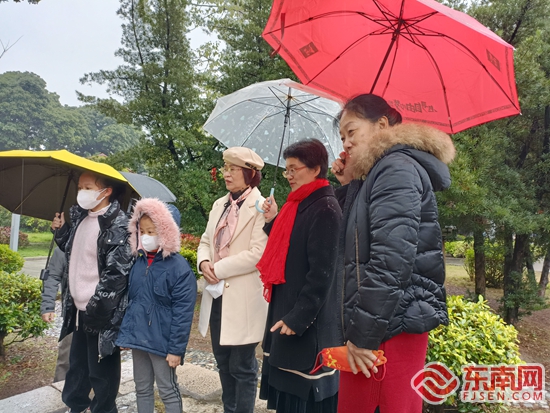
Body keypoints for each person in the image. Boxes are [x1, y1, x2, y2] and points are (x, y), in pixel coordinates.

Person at [331, 94, 455, 413]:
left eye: (351, 131)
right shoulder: (380, 172)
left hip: (386, 328)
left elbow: (392, 261)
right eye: (342, 137)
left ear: (382, 125)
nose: (346, 143)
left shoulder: (395, 169)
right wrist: (349, 183)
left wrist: (363, 336)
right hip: (385, 319)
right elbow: (354, 243)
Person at [257, 138, 342, 413]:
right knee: (286, 397)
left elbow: (323, 273)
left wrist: (298, 317)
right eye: (287, 170)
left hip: (306, 326)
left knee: (302, 400)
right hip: (287, 312)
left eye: (294, 169)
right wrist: (273, 220)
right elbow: (290, 247)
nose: (289, 175)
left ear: (315, 169)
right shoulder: (297, 204)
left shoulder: (325, 208)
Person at [51, 171, 133, 413]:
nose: (81, 192)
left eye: (87, 187)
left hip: (100, 311)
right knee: (77, 366)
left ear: (106, 191)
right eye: (80, 187)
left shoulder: (119, 224)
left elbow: (116, 274)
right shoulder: (80, 218)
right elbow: (75, 251)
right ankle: (76, 406)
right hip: (78, 308)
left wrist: (96, 307)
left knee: (102, 371)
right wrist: (61, 232)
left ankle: (103, 410)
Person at [197, 147, 269, 413]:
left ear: (250, 174)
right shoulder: (220, 204)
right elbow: (206, 240)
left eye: (233, 169)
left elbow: (257, 254)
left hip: (243, 298)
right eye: (225, 168)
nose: (226, 174)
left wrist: (218, 267)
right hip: (217, 294)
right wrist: (204, 262)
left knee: (242, 366)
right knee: (223, 361)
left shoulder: (261, 206)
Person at [116, 198, 197, 413]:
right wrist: (127, 335)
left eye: (151, 231)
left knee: (167, 389)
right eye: (142, 231)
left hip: (162, 342)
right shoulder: (139, 261)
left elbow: (183, 314)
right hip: (139, 339)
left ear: (166, 232)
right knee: (141, 388)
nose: (145, 236)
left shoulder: (179, 269)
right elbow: (133, 302)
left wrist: (176, 350)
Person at [40, 246, 71, 382]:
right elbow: (52, 277)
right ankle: (61, 387)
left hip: (101, 314)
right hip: (72, 314)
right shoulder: (63, 248)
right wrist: (48, 306)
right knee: (66, 357)